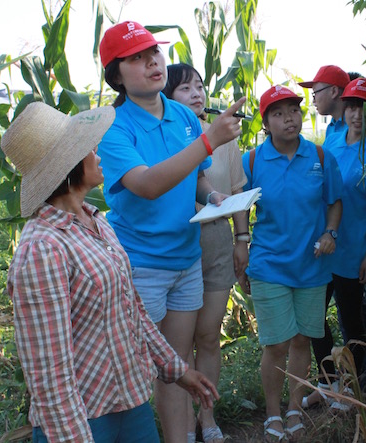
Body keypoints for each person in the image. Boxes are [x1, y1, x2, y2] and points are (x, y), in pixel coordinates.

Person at [3, 102, 219, 443]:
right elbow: (49, 372)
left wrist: (178, 371)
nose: (98, 153)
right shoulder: (43, 249)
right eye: (88, 148)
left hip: (129, 403)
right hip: (81, 422)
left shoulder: (97, 223)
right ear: (69, 165)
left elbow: (131, 312)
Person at [96, 21, 246, 443]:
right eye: (136, 58)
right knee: (136, 367)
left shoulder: (181, 114)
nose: (152, 63)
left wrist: (214, 196)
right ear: (116, 74)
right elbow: (145, 185)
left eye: (154, 54)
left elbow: (197, 177)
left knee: (175, 366)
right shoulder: (112, 126)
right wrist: (209, 140)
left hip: (186, 259)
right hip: (141, 264)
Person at [241, 85, 343, 441]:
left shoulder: (320, 156)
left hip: (312, 265)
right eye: (279, 114)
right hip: (269, 264)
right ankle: (273, 414)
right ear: (266, 123)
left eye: (295, 111)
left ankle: (295, 409)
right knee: (277, 344)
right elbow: (241, 206)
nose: (290, 119)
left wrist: (331, 232)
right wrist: (242, 243)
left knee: (302, 340)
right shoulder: (251, 160)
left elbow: (334, 202)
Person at [162, 63, 249, 443]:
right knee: (176, 346)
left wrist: (242, 238)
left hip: (215, 239)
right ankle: (179, 425)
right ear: (166, 97)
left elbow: (237, 191)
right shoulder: (165, 138)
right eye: (185, 88)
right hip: (177, 244)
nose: (197, 93)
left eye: (199, 86)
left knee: (209, 336)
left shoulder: (226, 137)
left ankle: (207, 419)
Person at [309, 78, 366, 404]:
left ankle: (358, 389)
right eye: (353, 106)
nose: (357, 114)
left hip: (353, 251)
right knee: (314, 319)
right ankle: (329, 383)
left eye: (365, 108)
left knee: (352, 324)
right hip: (324, 246)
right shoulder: (333, 138)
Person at [299, 65, 350, 138]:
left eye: (315, 93)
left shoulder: (356, 126)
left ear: (334, 91)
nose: (313, 100)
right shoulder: (331, 127)